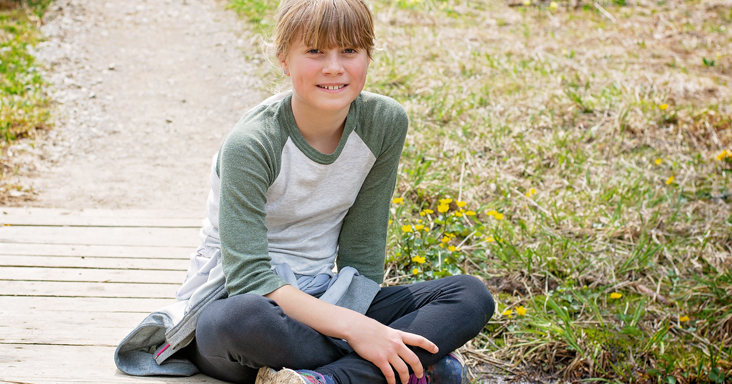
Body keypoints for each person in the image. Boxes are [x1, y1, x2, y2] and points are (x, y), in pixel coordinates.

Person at [168, 0, 496, 383]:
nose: (334, 67)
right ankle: (405, 368)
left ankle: (325, 379)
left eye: (350, 50)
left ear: (369, 56)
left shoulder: (383, 123)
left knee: (469, 296)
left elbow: (363, 254)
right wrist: (358, 332)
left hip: (329, 298)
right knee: (238, 319)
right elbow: (249, 277)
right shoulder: (252, 143)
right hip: (246, 308)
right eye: (314, 51)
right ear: (284, 60)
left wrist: (355, 322)